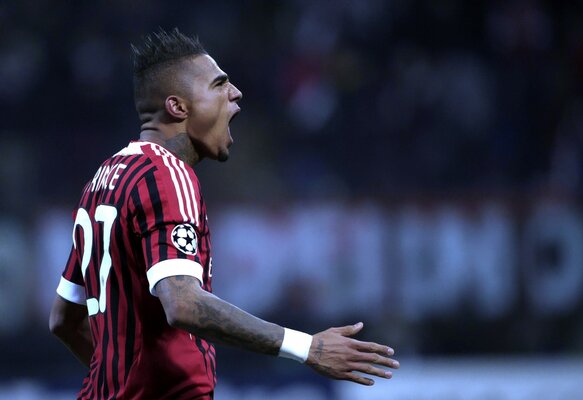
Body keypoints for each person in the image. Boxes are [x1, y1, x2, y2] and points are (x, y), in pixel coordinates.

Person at [49, 28, 399, 400]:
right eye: (219, 85)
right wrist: (306, 347)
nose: (235, 94)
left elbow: (63, 320)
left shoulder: (104, 179)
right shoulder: (167, 175)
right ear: (178, 107)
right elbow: (183, 304)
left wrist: (124, 383)